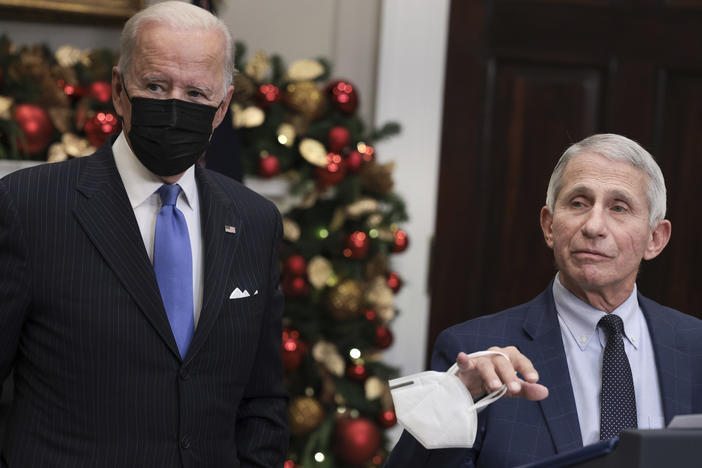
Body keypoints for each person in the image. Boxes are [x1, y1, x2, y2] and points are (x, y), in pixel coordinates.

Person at [0, 2, 288, 466]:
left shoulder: (255, 220)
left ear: (222, 107)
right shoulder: (29, 205)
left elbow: (263, 400)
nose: (175, 107)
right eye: (155, 86)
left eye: (197, 93)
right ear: (119, 90)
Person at [386, 133, 702, 467]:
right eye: (578, 203)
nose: (594, 225)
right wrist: (456, 398)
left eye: (619, 207)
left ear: (655, 238)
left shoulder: (695, 347)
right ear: (549, 225)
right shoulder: (472, 352)